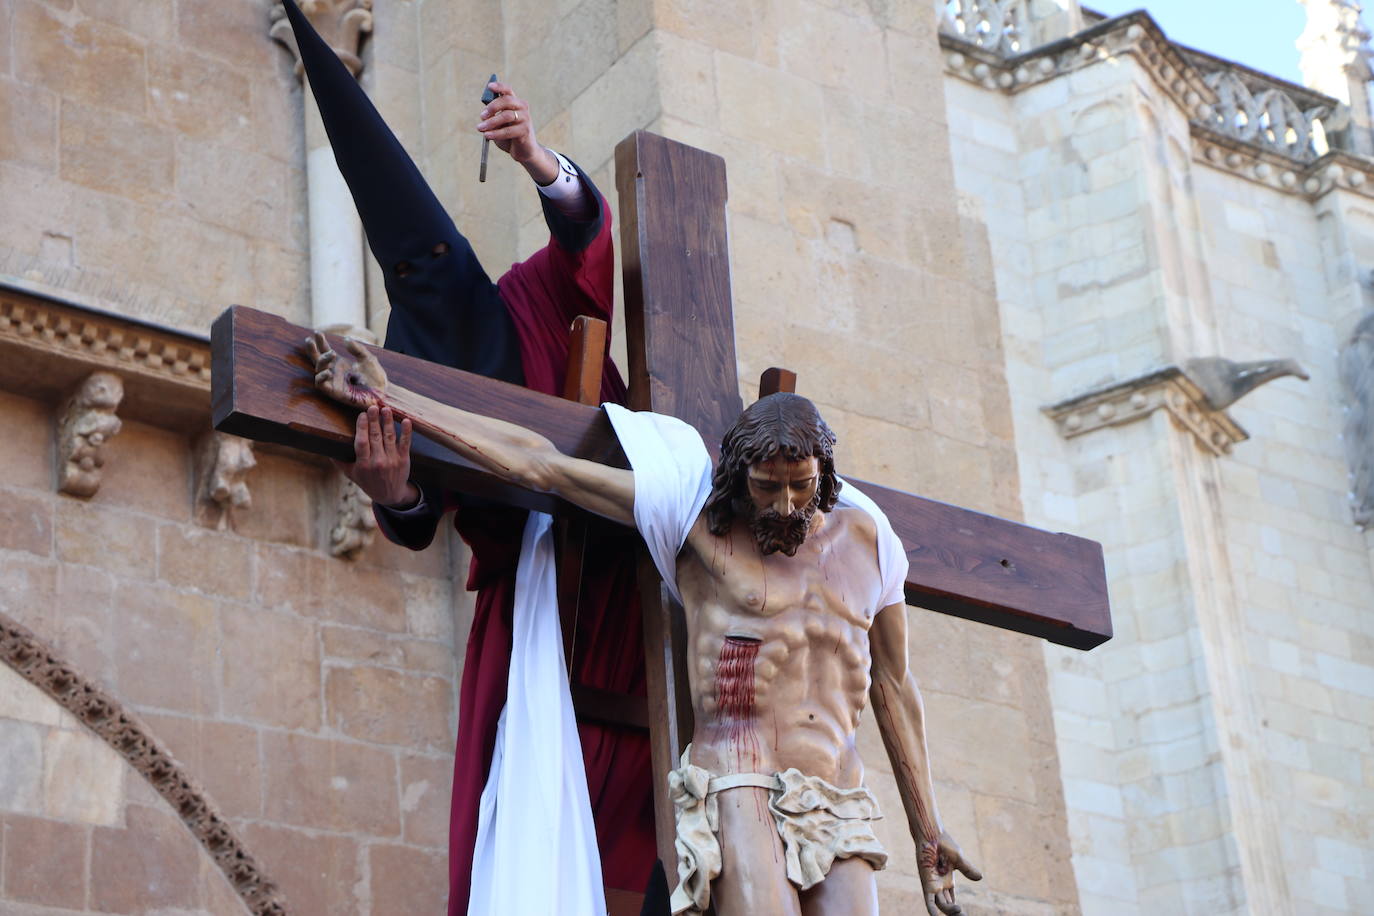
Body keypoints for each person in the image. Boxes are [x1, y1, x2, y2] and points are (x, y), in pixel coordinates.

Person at [302, 336, 984, 916]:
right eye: (766, 487)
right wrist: (394, 401)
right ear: (738, 476)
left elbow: (893, 684)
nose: (783, 504)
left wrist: (929, 828)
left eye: (800, 486)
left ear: (824, 476)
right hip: (737, 770)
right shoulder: (691, 514)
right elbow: (539, 461)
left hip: (838, 782)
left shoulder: (870, 541)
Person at [275, 3, 656, 913]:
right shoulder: (409, 383)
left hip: (634, 575)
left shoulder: (527, 299)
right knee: (523, 828)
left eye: (438, 267)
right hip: (535, 614)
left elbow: (588, 245)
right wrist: (395, 493)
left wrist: (535, 158)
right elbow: (421, 516)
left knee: (657, 824)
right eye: (416, 292)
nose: (437, 297)